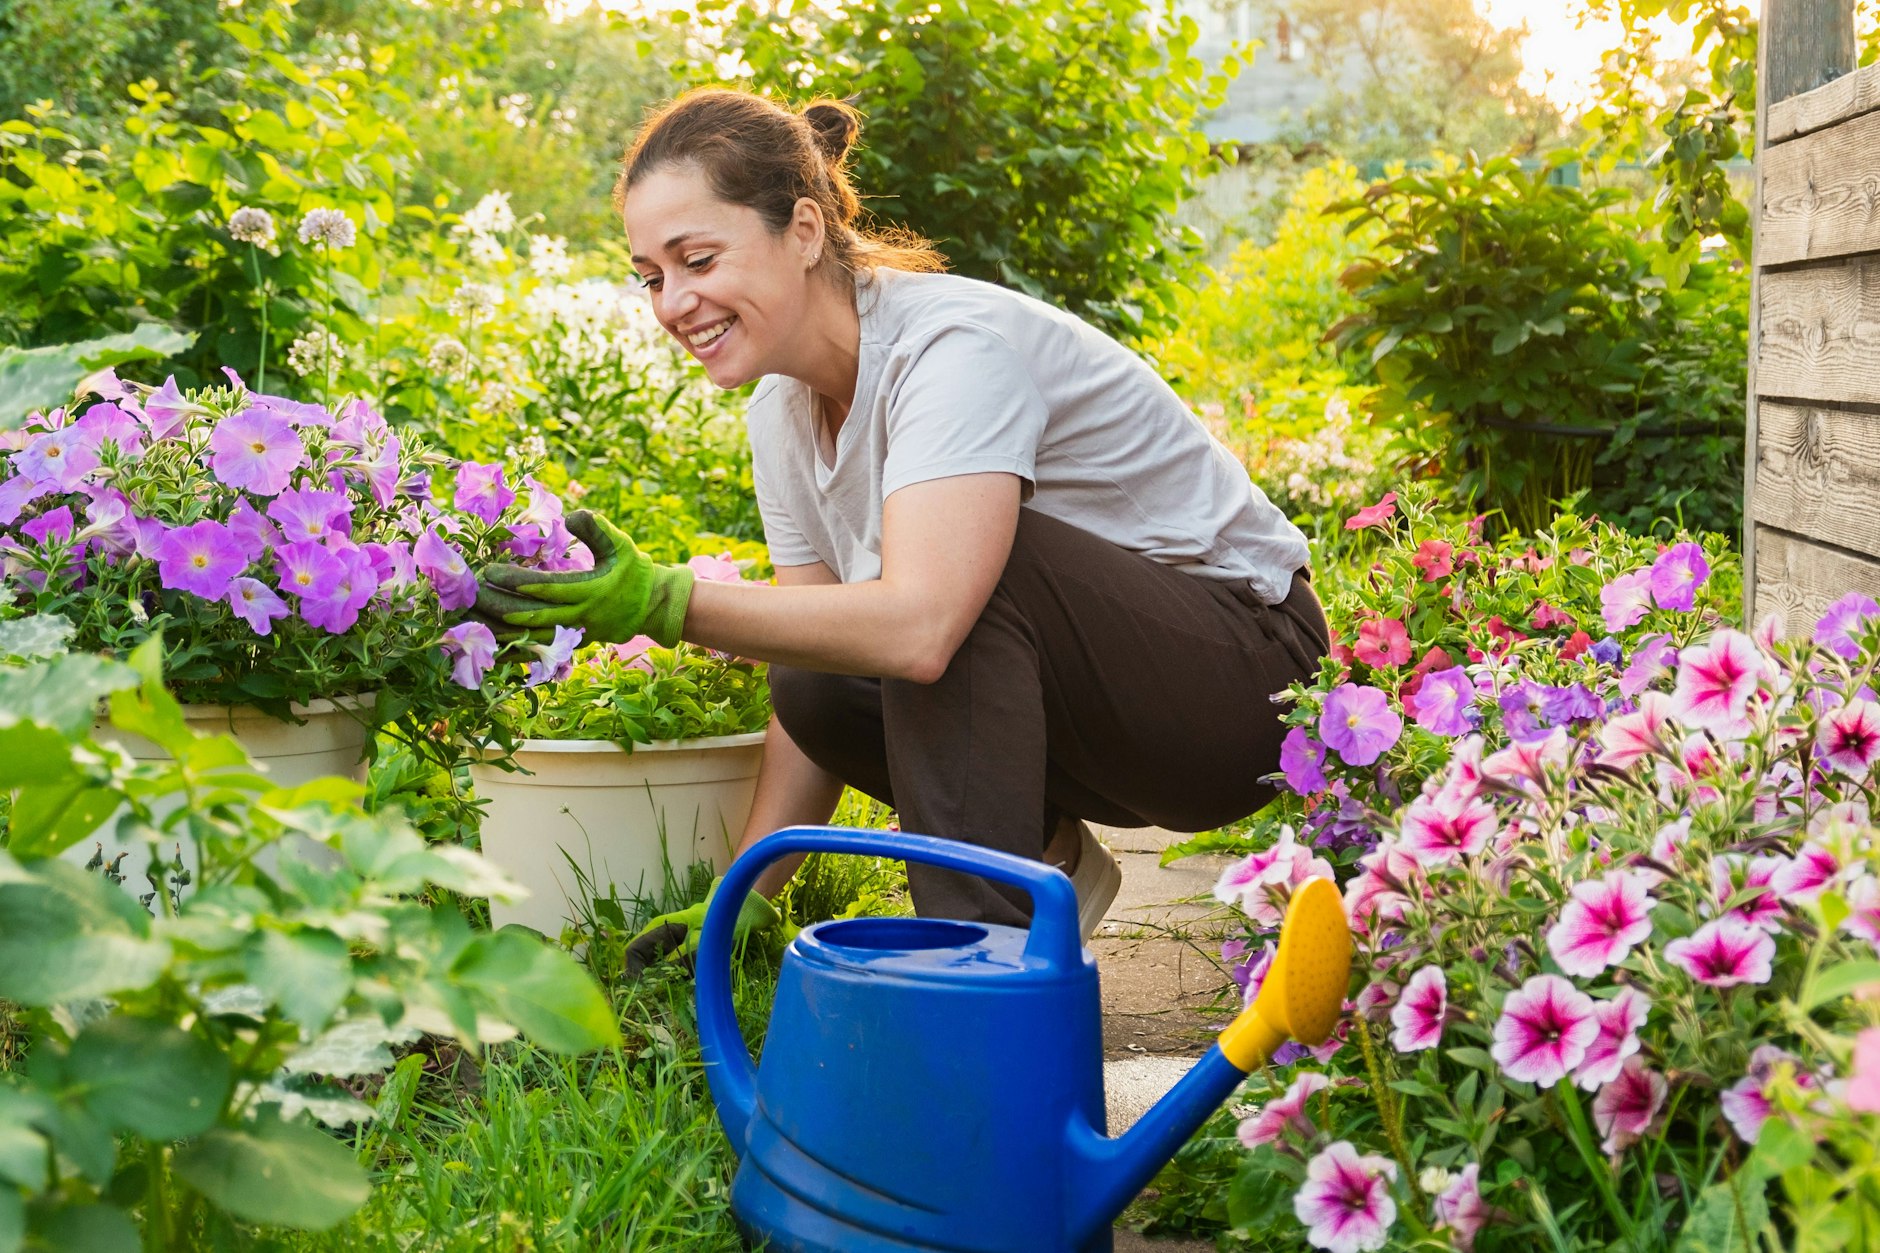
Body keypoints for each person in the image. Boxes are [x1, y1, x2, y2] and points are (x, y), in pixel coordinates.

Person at [474, 87, 1330, 962]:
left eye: (697, 259)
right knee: (812, 674)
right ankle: (1043, 875)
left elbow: (922, 626)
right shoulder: (780, 410)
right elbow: (820, 651)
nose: (671, 303)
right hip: (1113, 713)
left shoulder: (949, 350)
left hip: (1250, 681)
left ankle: (970, 970)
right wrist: (743, 898)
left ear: (805, 231)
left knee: (957, 587)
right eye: (652, 277)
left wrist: (667, 602)